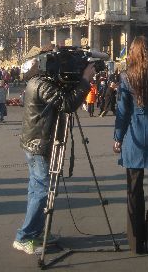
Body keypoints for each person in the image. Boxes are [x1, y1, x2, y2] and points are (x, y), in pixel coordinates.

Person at [12, 47, 95, 255]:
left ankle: (36, 232)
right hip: (38, 144)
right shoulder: (42, 85)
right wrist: (85, 80)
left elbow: (63, 98)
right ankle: (24, 236)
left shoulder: (39, 82)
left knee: (36, 189)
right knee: (41, 190)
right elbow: (67, 104)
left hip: (34, 142)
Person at [114, 36, 148, 255]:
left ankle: (136, 242)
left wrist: (117, 137)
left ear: (134, 53)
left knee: (133, 190)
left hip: (134, 134)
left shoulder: (126, 77)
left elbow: (122, 112)